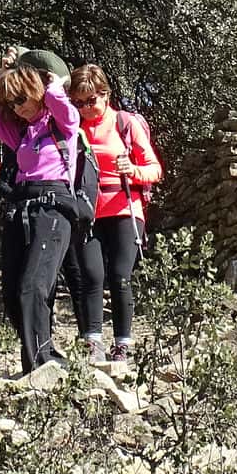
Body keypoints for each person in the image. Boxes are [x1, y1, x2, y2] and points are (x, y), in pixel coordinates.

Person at [0, 49, 81, 373]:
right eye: (11, 102)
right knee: (12, 292)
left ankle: (39, 365)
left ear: (37, 91)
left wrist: (47, 79)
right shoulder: (19, 132)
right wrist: (3, 73)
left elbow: (63, 105)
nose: (18, 107)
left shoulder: (63, 124)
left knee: (33, 286)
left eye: (22, 98)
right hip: (21, 207)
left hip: (53, 206)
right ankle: (42, 355)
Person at [65, 65, 163, 362]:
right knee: (91, 276)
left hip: (124, 208)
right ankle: (92, 343)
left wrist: (132, 171)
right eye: (78, 103)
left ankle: (123, 343)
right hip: (88, 211)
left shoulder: (125, 124)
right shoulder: (73, 129)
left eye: (91, 100)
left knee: (120, 276)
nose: (86, 108)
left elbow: (155, 169)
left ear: (105, 95)